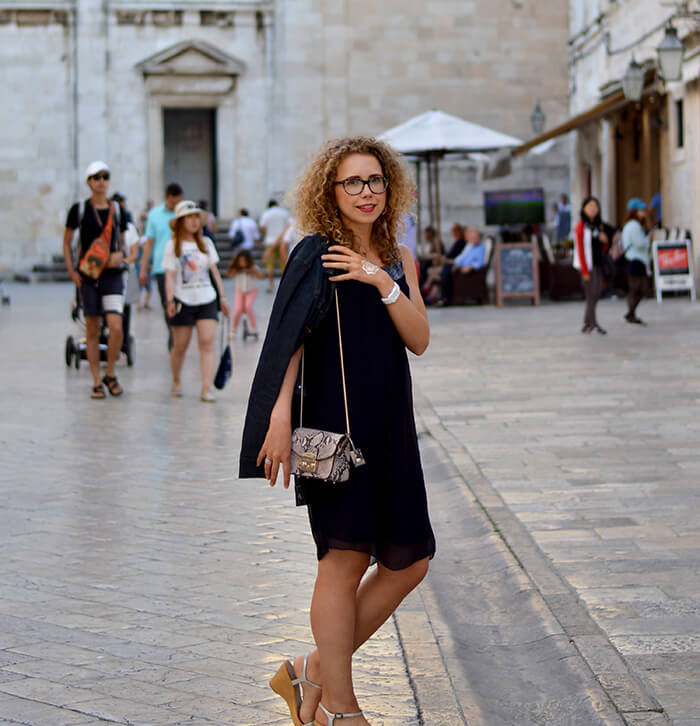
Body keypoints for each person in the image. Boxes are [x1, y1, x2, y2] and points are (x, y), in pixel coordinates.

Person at [240, 136, 435, 726]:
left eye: (375, 180)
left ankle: (311, 673)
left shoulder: (400, 256)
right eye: (352, 182)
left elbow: (420, 339)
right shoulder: (314, 254)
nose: (366, 192)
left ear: (389, 186)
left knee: (411, 560)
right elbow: (285, 345)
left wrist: (381, 281)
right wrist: (277, 419)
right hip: (333, 434)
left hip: (392, 429)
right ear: (332, 190)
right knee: (343, 560)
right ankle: (342, 709)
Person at [62, 160, 128, 399]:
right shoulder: (79, 210)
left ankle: (110, 372)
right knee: (92, 328)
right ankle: (96, 380)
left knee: (116, 327)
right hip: (88, 277)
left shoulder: (117, 210)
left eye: (105, 176)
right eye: (96, 177)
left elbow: (125, 244)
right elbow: (67, 242)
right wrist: (72, 271)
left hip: (111, 275)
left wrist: (121, 256)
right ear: (89, 181)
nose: (101, 181)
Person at [162, 200, 230, 401]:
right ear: (180, 221)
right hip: (183, 299)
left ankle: (205, 389)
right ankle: (176, 380)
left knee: (207, 343)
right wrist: (169, 301)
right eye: (189, 217)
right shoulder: (173, 245)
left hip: (207, 298)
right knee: (180, 346)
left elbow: (214, 272)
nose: (193, 221)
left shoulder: (206, 243)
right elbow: (170, 276)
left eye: (196, 217)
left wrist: (222, 297)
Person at [140, 184, 183, 348]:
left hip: (181, 266)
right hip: (161, 267)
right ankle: (173, 333)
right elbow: (149, 243)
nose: (175, 205)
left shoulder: (182, 214)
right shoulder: (154, 215)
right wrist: (143, 269)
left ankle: (179, 333)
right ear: (167, 197)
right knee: (168, 303)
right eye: (173, 202)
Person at [573, 196, 609, 334]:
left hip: (598, 263)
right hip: (587, 265)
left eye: (595, 206)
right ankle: (592, 324)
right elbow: (580, 249)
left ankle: (587, 323)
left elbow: (603, 248)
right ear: (584, 209)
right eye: (590, 206)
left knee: (596, 293)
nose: (593, 209)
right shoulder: (581, 226)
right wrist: (584, 270)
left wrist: (604, 241)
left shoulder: (598, 226)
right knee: (591, 294)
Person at [621, 198, 651, 326]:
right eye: (641, 209)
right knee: (637, 288)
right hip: (635, 259)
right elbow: (640, 243)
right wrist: (649, 238)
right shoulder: (633, 225)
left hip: (636, 259)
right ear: (634, 211)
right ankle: (630, 313)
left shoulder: (633, 225)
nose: (643, 212)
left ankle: (631, 313)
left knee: (639, 288)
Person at [226, 249, 264, 339]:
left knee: (248, 307)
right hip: (240, 290)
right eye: (240, 261)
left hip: (251, 290)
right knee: (238, 309)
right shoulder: (237, 269)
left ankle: (253, 328)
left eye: (244, 261)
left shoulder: (253, 267)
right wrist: (234, 268)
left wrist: (254, 271)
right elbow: (229, 275)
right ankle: (233, 329)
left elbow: (261, 277)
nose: (242, 263)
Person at [259, 199, 290, 292]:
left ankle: (271, 286)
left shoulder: (266, 213)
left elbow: (261, 228)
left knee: (270, 265)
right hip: (283, 241)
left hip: (270, 240)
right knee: (284, 264)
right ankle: (285, 285)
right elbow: (288, 226)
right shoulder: (284, 213)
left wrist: (266, 233)